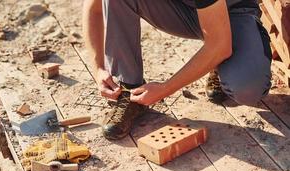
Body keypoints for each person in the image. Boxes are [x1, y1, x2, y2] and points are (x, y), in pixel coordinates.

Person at [82, 0, 272, 140]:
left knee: (248, 87)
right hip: (182, 10)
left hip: (234, 13)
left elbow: (220, 44)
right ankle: (128, 89)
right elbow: (94, 5)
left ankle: (219, 63)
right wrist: (98, 67)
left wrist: (165, 88)